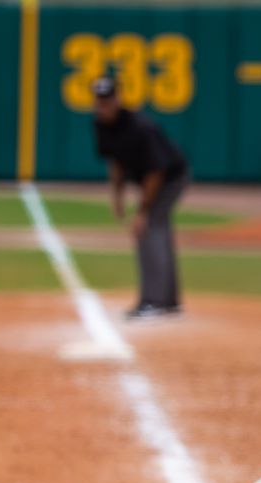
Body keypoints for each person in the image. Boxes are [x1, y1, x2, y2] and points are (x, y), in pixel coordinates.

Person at [91, 75, 188, 319]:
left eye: (108, 100)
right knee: (159, 231)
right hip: (153, 178)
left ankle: (154, 301)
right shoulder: (102, 125)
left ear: (118, 99)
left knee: (149, 230)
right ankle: (169, 302)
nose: (104, 106)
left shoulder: (139, 128)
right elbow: (116, 164)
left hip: (171, 177)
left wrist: (142, 212)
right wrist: (118, 198)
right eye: (99, 101)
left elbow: (156, 172)